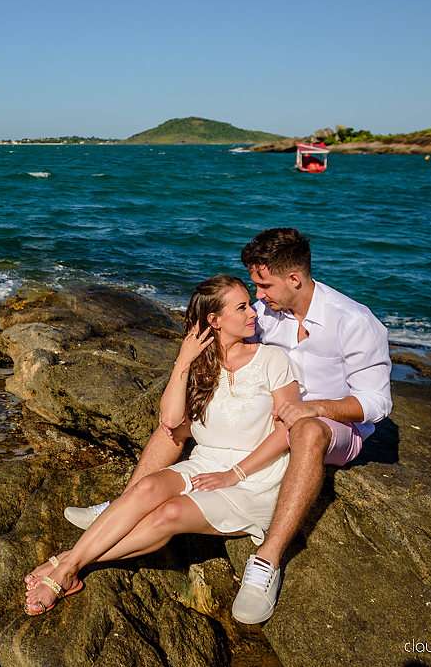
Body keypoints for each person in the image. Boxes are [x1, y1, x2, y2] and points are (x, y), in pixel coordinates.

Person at [62, 228, 392, 624]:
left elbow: (377, 403)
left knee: (307, 429)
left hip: (332, 426)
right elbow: (230, 339)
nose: (258, 298)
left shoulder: (353, 321)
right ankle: (125, 504)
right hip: (271, 412)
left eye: (263, 286)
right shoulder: (265, 312)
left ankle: (267, 560)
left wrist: (312, 408)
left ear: (294, 278)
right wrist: (188, 359)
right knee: (179, 422)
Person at [24, 274, 300, 616]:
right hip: (205, 463)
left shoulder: (272, 360)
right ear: (214, 320)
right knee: (147, 487)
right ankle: (70, 566)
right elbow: (170, 422)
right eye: (242, 307)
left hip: (255, 478)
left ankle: (68, 564)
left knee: (169, 513)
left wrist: (234, 474)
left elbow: (286, 432)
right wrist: (183, 361)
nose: (254, 313)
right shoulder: (199, 364)